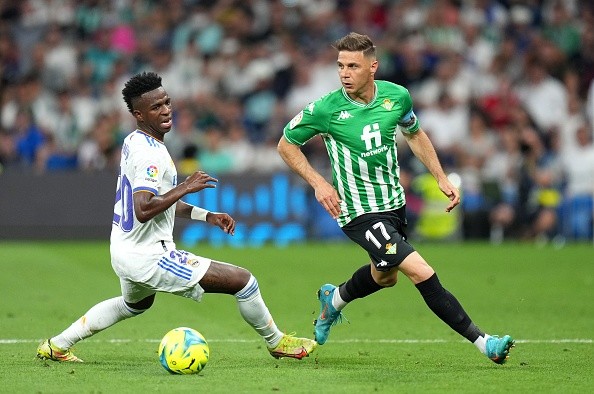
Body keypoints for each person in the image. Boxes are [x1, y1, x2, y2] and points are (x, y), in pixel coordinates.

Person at [36, 71, 316, 363]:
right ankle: (277, 341)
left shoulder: (135, 141)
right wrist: (185, 186)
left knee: (134, 305)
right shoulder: (149, 155)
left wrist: (206, 215)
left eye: (166, 102)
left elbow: (157, 201)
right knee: (244, 281)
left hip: (124, 249)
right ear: (139, 114)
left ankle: (57, 344)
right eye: (156, 107)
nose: (166, 109)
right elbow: (144, 209)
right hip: (148, 256)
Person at [277, 33, 514, 364]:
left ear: (372, 67)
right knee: (421, 271)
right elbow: (286, 145)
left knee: (385, 276)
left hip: (392, 204)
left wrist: (441, 177)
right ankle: (484, 342)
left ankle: (334, 301)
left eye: (353, 66)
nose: (344, 73)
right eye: (340, 66)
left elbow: (414, 133)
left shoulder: (396, 96)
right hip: (357, 210)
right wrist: (319, 183)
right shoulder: (326, 109)